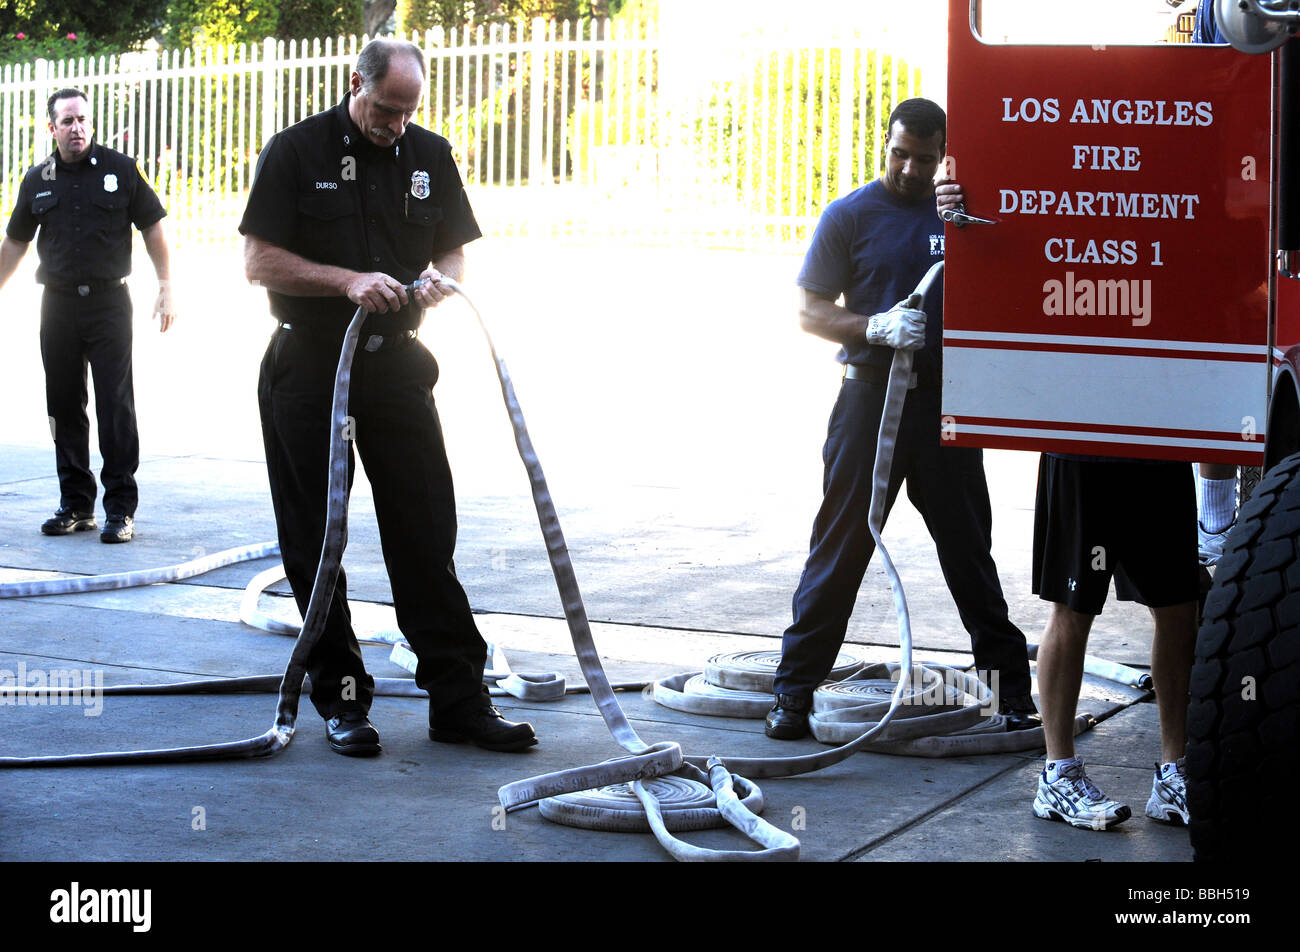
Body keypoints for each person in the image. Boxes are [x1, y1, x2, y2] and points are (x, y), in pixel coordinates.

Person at [238, 38, 536, 757]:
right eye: (385, 110)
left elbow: (454, 243)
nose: (395, 125)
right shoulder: (296, 153)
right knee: (317, 542)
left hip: (398, 366)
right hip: (310, 367)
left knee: (426, 533)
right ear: (355, 85)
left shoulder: (430, 154)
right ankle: (344, 703)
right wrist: (345, 280)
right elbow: (258, 260)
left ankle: (459, 703)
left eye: (407, 113)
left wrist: (439, 276)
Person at [765, 98, 1037, 741]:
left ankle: (1010, 696)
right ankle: (794, 693)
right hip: (869, 406)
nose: (910, 169)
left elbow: (1009, 286)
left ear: (944, 152)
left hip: (944, 408)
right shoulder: (851, 216)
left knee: (969, 553)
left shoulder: (962, 217)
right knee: (840, 549)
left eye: (924, 157)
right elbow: (809, 311)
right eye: (899, 155)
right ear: (884, 146)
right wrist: (873, 327)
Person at [936, 179, 1197, 830]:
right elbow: (1006, 242)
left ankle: (1175, 773)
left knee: (1178, 606)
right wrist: (959, 212)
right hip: (1081, 423)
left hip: (1158, 419)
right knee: (1073, 605)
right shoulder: (1058, 167)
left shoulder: (1171, 162)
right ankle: (1058, 776)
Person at [0, 87, 176, 544]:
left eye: (82, 120)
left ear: (90, 123)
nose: (76, 128)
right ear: (51, 128)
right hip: (56, 305)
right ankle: (76, 504)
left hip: (109, 305)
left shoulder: (120, 170)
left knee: (115, 406)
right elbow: (16, 243)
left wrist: (166, 286)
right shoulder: (37, 179)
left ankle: (120, 509)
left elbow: (153, 226)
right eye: (67, 121)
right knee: (63, 404)